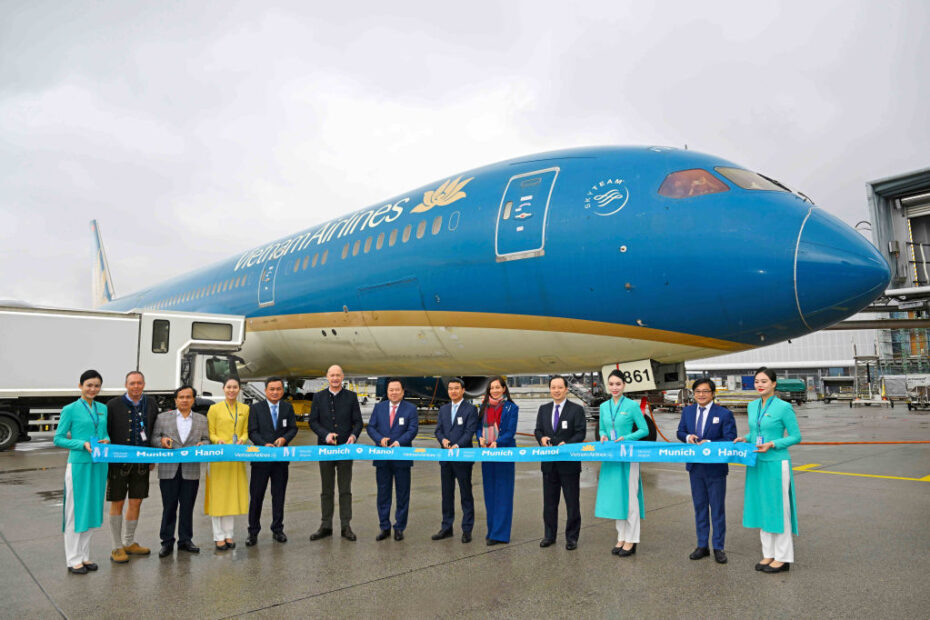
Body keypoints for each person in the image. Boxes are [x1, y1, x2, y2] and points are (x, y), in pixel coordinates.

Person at [735, 367, 801, 573]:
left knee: (778, 510)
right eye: (756, 381)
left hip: (775, 462)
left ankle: (783, 557)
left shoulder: (783, 407)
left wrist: (773, 444)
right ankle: (768, 554)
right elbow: (757, 431)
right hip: (756, 461)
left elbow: (795, 436)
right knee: (762, 507)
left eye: (764, 381)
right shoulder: (752, 406)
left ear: (774, 384)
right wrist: (745, 438)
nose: (759, 385)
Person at [54, 369, 110, 574]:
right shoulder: (70, 409)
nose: (93, 389)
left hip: (99, 464)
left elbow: (104, 433)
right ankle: (73, 559)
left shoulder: (102, 408)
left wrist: (107, 441)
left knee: (92, 511)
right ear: (80, 386)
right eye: (89, 385)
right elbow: (58, 438)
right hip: (79, 465)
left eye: (97, 385)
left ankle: (85, 556)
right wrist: (82, 443)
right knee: (75, 512)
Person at [676, 378, 737, 564]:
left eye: (705, 391)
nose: (701, 395)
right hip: (695, 467)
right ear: (693, 394)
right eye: (697, 392)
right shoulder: (687, 411)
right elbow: (680, 432)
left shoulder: (724, 414)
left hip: (716, 468)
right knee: (700, 507)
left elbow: (730, 438)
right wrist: (688, 437)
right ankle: (702, 545)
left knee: (717, 508)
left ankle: (718, 547)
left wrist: (709, 444)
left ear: (712, 394)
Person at [105, 370, 159, 564]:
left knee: (136, 501)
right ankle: (116, 546)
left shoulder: (151, 403)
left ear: (144, 384)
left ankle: (129, 542)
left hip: (142, 462)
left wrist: (153, 456)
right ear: (126, 385)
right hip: (118, 463)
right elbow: (106, 431)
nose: (136, 386)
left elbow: (153, 430)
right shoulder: (112, 405)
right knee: (117, 502)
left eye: (139, 383)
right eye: (132, 383)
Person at [151, 385, 210, 558]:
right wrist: (161, 441)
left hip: (190, 470)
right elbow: (154, 439)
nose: (184, 400)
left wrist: (203, 445)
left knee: (187, 507)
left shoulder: (201, 419)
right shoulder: (163, 418)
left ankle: (185, 540)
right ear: (175, 400)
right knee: (169, 507)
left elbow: (207, 440)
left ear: (193, 400)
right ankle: (167, 541)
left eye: (188, 397)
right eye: (181, 397)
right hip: (169, 470)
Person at [594, 370, 648, 557]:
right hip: (611, 456)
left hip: (628, 455)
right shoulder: (604, 406)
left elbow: (644, 429)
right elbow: (602, 427)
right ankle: (621, 536)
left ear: (624, 385)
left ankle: (632, 539)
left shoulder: (632, 406)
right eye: (611, 384)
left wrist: (627, 438)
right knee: (617, 498)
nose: (614, 387)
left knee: (631, 499)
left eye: (618, 384)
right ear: (607, 386)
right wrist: (602, 435)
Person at [308, 365, 363, 542]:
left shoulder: (351, 397)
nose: (335, 378)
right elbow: (313, 421)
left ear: (343, 377)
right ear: (327, 377)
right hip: (325, 449)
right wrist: (325, 435)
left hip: (346, 449)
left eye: (338, 375)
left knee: (345, 489)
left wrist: (354, 436)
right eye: (332, 375)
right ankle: (326, 525)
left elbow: (358, 422)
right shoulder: (318, 397)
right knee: (326, 489)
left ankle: (346, 525)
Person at [534, 375, 586, 550]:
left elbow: (580, 433)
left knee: (572, 503)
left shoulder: (576, 410)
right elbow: (538, 430)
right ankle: (549, 535)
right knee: (549, 503)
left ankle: (572, 537)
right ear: (550, 390)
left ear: (566, 389)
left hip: (569, 464)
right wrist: (541, 438)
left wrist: (568, 444)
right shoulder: (543, 409)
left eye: (559, 387)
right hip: (549, 464)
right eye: (553, 387)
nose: (556, 390)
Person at [246, 376, 298, 546]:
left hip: (280, 461)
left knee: (279, 496)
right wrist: (263, 444)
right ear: (266, 390)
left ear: (282, 391)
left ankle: (277, 529)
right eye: (272, 389)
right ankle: (253, 532)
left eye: (278, 389)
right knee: (256, 497)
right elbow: (252, 431)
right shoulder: (255, 408)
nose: (275, 392)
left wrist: (284, 439)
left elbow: (293, 428)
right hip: (261, 461)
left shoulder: (287, 408)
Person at [366, 378, 419, 541]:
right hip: (382, 457)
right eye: (391, 390)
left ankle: (399, 527)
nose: (394, 393)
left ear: (403, 392)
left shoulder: (410, 409)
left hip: (401, 456)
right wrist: (380, 439)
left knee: (403, 494)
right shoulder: (379, 407)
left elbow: (412, 430)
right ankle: (384, 527)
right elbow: (371, 427)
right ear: (387, 392)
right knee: (383, 494)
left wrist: (398, 442)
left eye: (397, 390)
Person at [205, 377, 250, 550]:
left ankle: (229, 534)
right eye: (229, 387)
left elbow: (245, 432)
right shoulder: (214, 409)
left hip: (236, 457)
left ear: (239, 389)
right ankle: (218, 536)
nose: (232, 390)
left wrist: (243, 440)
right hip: (218, 457)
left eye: (235, 387)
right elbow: (211, 432)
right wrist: (219, 441)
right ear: (223, 389)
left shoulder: (245, 409)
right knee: (218, 496)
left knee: (232, 495)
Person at [432, 378, 478, 543]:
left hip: (462, 458)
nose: (453, 391)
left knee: (465, 494)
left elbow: (469, 431)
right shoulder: (443, 409)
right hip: (446, 458)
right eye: (450, 388)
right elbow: (438, 430)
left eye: (456, 388)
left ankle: (467, 529)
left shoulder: (471, 409)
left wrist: (457, 445)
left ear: (463, 390)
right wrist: (443, 440)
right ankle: (446, 527)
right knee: (447, 495)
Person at [476, 376, 518, 545]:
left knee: (503, 493)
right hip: (487, 453)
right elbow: (479, 428)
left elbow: (510, 431)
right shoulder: (483, 407)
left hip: (504, 453)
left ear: (503, 389)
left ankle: (500, 534)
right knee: (490, 493)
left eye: (497, 387)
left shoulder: (511, 408)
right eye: (491, 388)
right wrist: (479, 437)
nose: (494, 390)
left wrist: (497, 442)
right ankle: (492, 529)